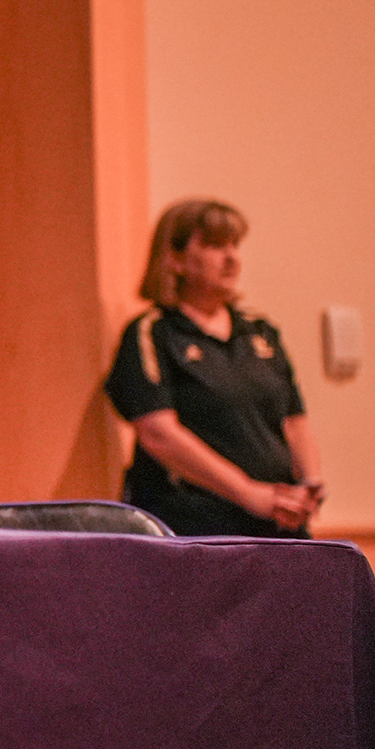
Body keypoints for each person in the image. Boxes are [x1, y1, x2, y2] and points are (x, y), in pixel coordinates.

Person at [103, 198, 324, 537]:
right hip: (195, 527)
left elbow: (293, 419)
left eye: (235, 245)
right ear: (174, 259)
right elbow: (158, 432)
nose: (232, 258)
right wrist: (247, 492)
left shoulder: (259, 330)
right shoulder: (153, 332)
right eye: (214, 246)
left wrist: (309, 483)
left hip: (275, 522)